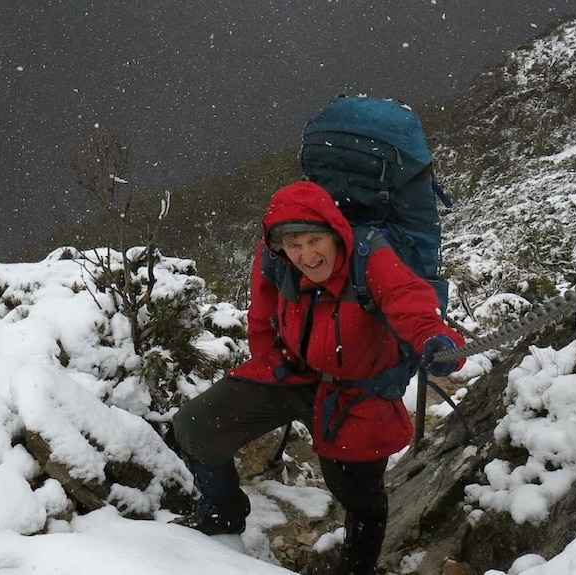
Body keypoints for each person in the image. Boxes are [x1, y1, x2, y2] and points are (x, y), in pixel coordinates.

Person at [171, 180, 465, 575]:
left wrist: (435, 339)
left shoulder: (369, 257)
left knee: (359, 497)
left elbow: (408, 302)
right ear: (279, 247)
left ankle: (356, 567)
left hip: (357, 391)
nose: (306, 255)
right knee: (196, 427)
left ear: (335, 232)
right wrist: (271, 362)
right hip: (291, 373)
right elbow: (261, 318)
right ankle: (221, 515)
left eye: (315, 240)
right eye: (294, 245)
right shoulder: (274, 261)